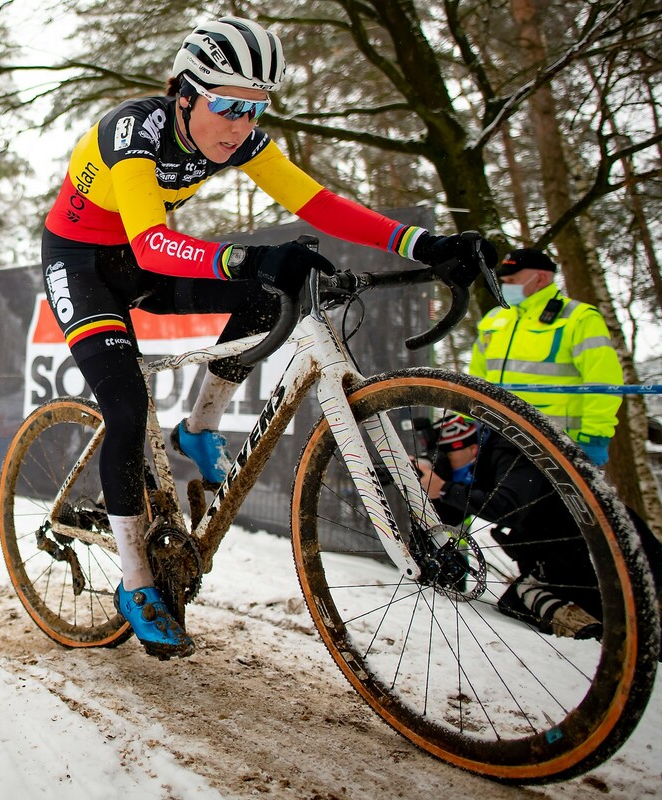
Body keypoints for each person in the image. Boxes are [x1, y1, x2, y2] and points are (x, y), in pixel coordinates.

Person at [41, 16, 496, 658]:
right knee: (124, 403)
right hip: (83, 265)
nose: (241, 125)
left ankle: (199, 428)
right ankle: (137, 585)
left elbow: (317, 204)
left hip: (144, 262)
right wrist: (249, 257)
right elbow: (150, 241)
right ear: (184, 94)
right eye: (227, 106)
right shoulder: (132, 130)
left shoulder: (241, 137)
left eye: (256, 109)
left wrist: (425, 242)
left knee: (263, 301)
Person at [416, 414, 662, 644]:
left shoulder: (512, 450)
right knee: (514, 603)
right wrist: (425, 484)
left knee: (615, 628)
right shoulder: (480, 461)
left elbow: (509, 508)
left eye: (447, 459)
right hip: (573, 555)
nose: (445, 466)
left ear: (471, 448)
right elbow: (451, 515)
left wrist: (446, 489)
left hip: (616, 556)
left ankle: (599, 636)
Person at [469, 248, 623, 466]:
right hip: (498, 437)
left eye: (513, 280)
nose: (506, 286)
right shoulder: (494, 319)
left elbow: (603, 381)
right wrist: (468, 421)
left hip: (556, 443)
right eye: (504, 280)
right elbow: (477, 377)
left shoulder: (579, 318)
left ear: (541, 278)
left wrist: (594, 438)